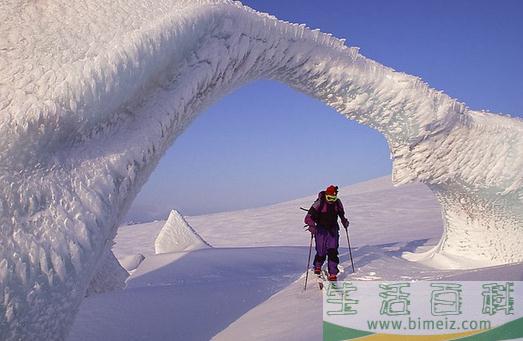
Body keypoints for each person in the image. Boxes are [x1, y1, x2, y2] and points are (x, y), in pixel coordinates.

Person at [304, 185, 349, 281]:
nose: (331, 200)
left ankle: (333, 273)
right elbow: (308, 217)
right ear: (326, 195)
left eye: (334, 198)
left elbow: (341, 214)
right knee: (321, 251)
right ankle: (317, 266)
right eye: (329, 198)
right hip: (320, 230)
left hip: (333, 230)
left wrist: (344, 221)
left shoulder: (337, 203)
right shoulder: (320, 203)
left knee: (333, 251)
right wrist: (312, 225)